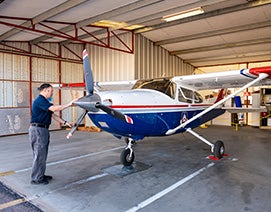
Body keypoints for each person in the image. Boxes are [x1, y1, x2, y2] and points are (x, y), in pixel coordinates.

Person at [29, 83, 77, 185]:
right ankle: (36, 179)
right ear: (45, 90)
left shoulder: (45, 102)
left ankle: (40, 174)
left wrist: (65, 122)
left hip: (42, 129)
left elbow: (53, 115)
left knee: (42, 154)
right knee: (39, 154)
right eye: (51, 91)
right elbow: (54, 109)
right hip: (38, 130)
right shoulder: (40, 100)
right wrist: (69, 104)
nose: (52, 93)